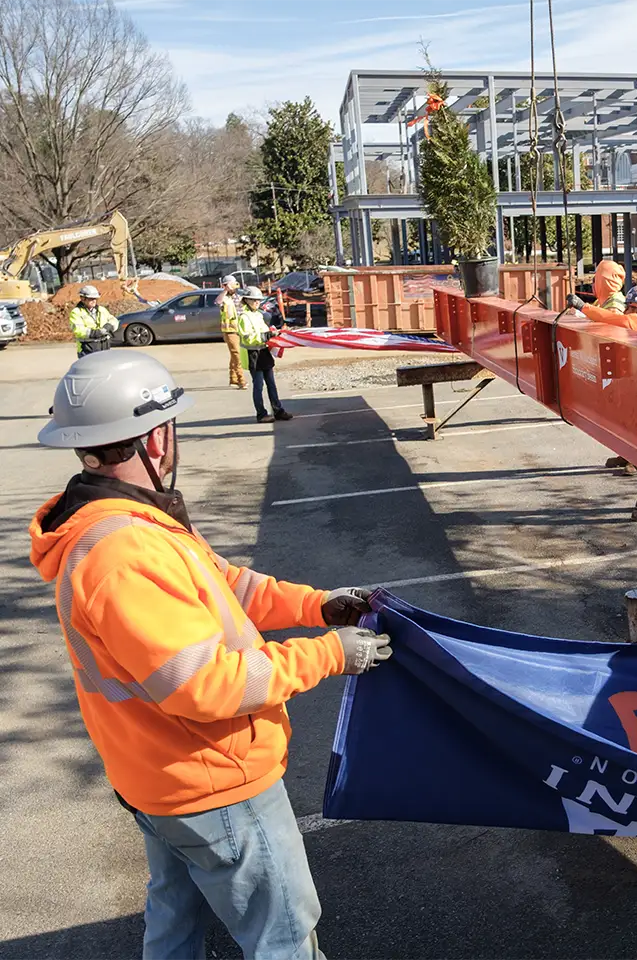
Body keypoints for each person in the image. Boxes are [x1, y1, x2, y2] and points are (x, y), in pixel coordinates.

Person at [29, 350, 392, 960]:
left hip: (161, 777)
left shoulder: (127, 523)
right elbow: (203, 686)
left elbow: (229, 588)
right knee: (283, 936)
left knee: (175, 919)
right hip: (213, 781)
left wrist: (318, 606)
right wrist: (330, 654)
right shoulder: (125, 551)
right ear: (156, 437)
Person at [565, 283, 637, 521]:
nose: (625, 312)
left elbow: (618, 321)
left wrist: (583, 308)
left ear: (636, 307)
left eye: (629, 308)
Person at [236, 286, 292, 423]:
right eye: (254, 300)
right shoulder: (244, 317)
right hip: (253, 355)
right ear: (247, 300)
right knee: (258, 386)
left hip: (264, 352)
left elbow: (265, 332)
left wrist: (273, 333)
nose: (257, 302)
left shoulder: (258, 314)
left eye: (258, 300)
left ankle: (278, 411)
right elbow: (248, 337)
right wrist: (268, 335)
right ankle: (261, 414)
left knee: (271, 384)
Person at [68, 284, 119, 357]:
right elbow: (78, 330)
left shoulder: (101, 309)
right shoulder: (76, 312)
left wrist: (109, 326)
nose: (94, 301)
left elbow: (114, 320)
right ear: (82, 298)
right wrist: (95, 333)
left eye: (95, 298)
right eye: (91, 298)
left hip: (104, 348)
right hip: (87, 349)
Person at [217, 274, 246, 390]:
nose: (233, 287)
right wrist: (225, 290)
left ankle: (233, 379)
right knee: (237, 355)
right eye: (230, 285)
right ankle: (241, 380)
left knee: (234, 355)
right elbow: (218, 301)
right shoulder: (224, 298)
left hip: (239, 329)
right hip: (229, 331)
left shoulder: (238, 297)